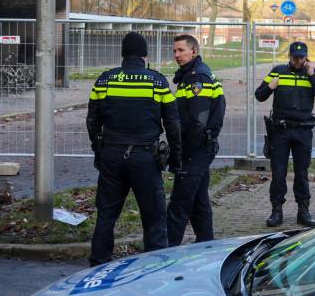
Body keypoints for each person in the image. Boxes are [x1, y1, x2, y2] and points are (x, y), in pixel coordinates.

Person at [86, 31, 182, 266]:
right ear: (144, 54)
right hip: (145, 158)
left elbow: (92, 120)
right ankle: (155, 266)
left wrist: (98, 150)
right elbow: (172, 123)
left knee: (106, 215)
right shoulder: (157, 82)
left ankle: (98, 264)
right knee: (154, 217)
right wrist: (175, 158)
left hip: (111, 155)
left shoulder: (104, 81)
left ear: (122, 54)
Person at [255, 41, 315, 227]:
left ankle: (303, 211)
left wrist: (312, 76)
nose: (298, 61)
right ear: (289, 56)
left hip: (303, 130)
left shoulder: (314, 72)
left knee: (301, 173)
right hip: (280, 131)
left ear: (306, 57)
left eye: (302, 57)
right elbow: (259, 95)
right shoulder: (278, 71)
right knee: (279, 173)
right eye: (295, 57)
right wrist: (270, 87)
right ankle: (276, 211)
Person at [166, 35, 226, 247]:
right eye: (175, 51)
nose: (177, 55)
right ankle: (207, 246)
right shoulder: (194, 74)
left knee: (179, 204)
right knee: (199, 202)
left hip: (196, 148)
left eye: (181, 50)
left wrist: (181, 153)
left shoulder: (196, 78)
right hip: (201, 146)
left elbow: (197, 122)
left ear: (194, 51)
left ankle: (164, 253)